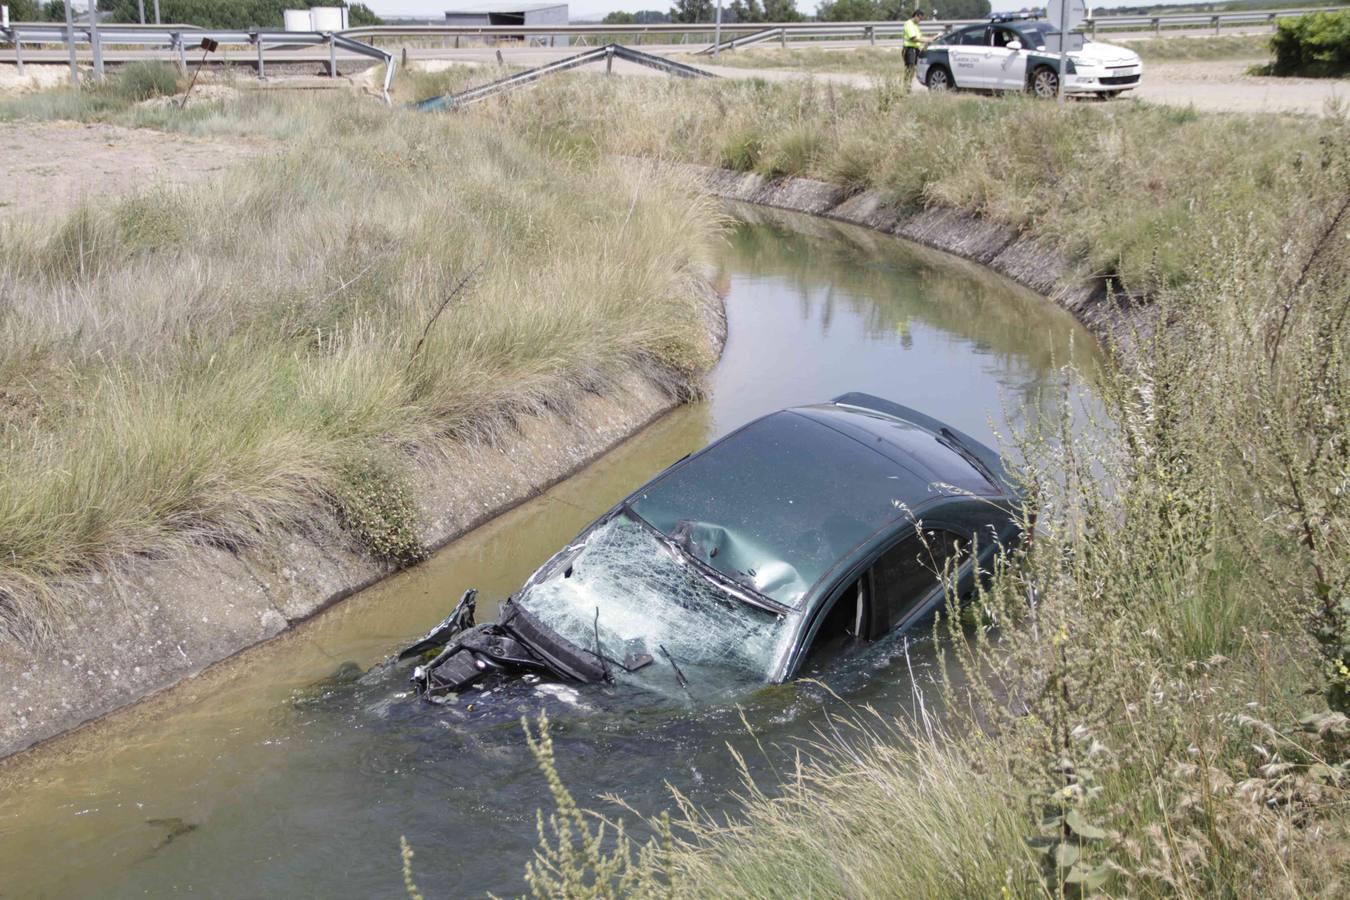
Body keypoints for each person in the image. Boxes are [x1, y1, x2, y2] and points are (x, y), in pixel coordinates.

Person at [902, 9, 933, 93]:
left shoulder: (916, 25)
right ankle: (906, 87)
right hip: (909, 49)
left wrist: (927, 41)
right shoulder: (908, 24)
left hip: (915, 49)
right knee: (909, 68)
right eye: (920, 19)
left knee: (914, 69)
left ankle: (908, 85)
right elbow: (914, 38)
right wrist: (926, 40)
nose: (920, 21)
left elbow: (920, 38)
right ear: (916, 16)